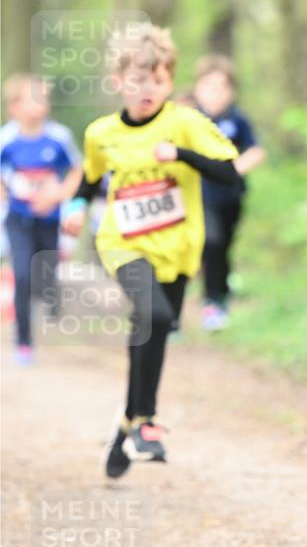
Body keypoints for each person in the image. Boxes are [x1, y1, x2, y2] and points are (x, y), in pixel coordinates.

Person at [61, 24, 241, 478]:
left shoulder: (184, 122)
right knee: (155, 318)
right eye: (137, 81)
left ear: (169, 81)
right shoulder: (100, 133)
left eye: (158, 81)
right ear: (118, 81)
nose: (147, 91)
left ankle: (129, 424)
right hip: (122, 242)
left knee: (154, 330)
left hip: (178, 250)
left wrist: (181, 155)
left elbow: (231, 176)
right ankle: (147, 421)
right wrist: (78, 205)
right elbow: (90, 175)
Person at [0, 74, 82, 365]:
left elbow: (76, 172)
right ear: (15, 106)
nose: (41, 104)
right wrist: (6, 192)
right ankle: (23, 342)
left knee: (45, 272)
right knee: (21, 275)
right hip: (18, 220)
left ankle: (51, 299)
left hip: (50, 219)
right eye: (33, 98)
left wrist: (56, 194)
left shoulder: (59, 138)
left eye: (44, 98)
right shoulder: (6, 139)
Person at [192, 55, 265, 330]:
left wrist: (236, 168)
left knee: (222, 246)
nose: (215, 92)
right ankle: (210, 303)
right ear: (198, 88)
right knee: (210, 241)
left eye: (222, 86)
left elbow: (256, 150)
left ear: (231, 90)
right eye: (209, 85)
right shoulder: (188, 119)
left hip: (230, 196)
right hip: (198, 195)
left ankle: (220, 294)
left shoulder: (237, 119)